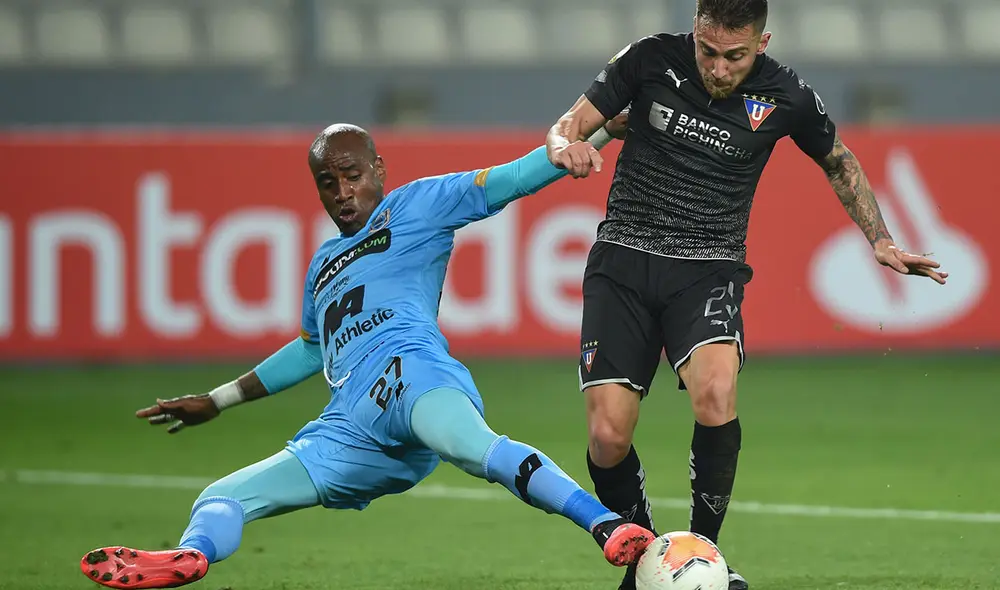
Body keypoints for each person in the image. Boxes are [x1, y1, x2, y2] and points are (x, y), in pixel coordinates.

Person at [78, 121, 653, 589]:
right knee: (222, 496)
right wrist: (218, 399)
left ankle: (603, 524)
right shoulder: (322, 264)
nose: (342, 192)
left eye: (351, 175)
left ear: (378, 169)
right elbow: (310, 351)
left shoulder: (418, 205)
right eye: (327, 183)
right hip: (349, 422)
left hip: (410, 373)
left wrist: (592, 137)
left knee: (474, 448)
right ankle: (191, 559)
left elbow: (515, 177)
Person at [544, 1, 948, 589]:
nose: (717, 67)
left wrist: (881, 239)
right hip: (623, 264)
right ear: (696, 31)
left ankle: (703, 556)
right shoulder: (651, 57)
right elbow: (570, 123)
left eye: (733, 55)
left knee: (716, 389)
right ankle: (644, 562)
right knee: (607, 438)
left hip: (709, 269)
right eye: (707, 50)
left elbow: (838, 160)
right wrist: (564, 145)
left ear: (761, 43)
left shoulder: (786, 95)